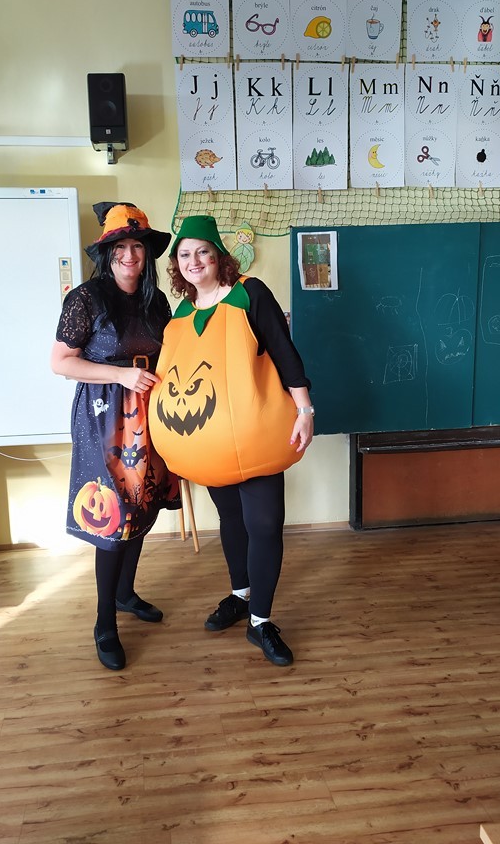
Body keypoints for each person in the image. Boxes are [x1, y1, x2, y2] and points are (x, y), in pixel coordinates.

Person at [148, 215, 313, 667]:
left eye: (202, 251)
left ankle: (261, 621)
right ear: (177, 266)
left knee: (265, 523)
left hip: (258, 437)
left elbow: (284, 352)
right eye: (184, 254)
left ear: (219, 256)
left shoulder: (249, 293)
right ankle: (240, 595)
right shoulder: (180, 316)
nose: (194, 261)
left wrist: (305, 410)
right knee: (232, 520)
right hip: (208, 445)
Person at [51, 202, 180, 671]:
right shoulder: (85, 299)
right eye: (120, 247)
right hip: (104, 418)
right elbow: (61, 363)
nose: (130, 255)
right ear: (108, 254)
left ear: (147, 253)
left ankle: (125, 593)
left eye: (137, 247)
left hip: (150, 413)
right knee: (112, 517)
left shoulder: (155, 300)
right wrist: (121, 375)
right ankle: (104, 621)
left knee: (142, 505)